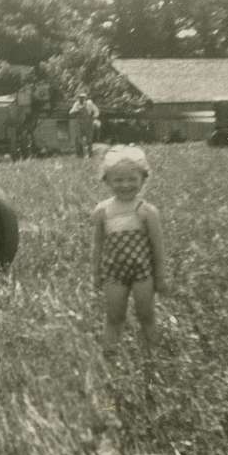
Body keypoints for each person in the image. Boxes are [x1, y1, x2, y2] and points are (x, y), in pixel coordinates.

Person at [90, 146, 168, 360]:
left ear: (143, 179)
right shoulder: (103, 211)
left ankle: (152, 356)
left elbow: (158, 247)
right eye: (118, 180)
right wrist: (96, 273)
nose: (125, 185)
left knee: (146, 314)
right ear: (107, 181)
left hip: (143, 272)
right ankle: (110, 356)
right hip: (114, 273)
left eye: (132, 179)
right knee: (114, 316)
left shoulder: (146, 211)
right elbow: (97, 244)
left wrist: (160, 277)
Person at [69, 92, 100, 157]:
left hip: (88, 123)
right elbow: (70, 112)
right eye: (80, 98)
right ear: (78, 98)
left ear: (85, 98)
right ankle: (80, 155)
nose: (81, 99)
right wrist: (76, 111)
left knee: (89, 139)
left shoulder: (89, 103)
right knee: (78, 139)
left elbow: (97, 111)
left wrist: (93, 117)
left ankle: (90, 154)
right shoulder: (76, 104)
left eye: (83, 98)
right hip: (79, 123)